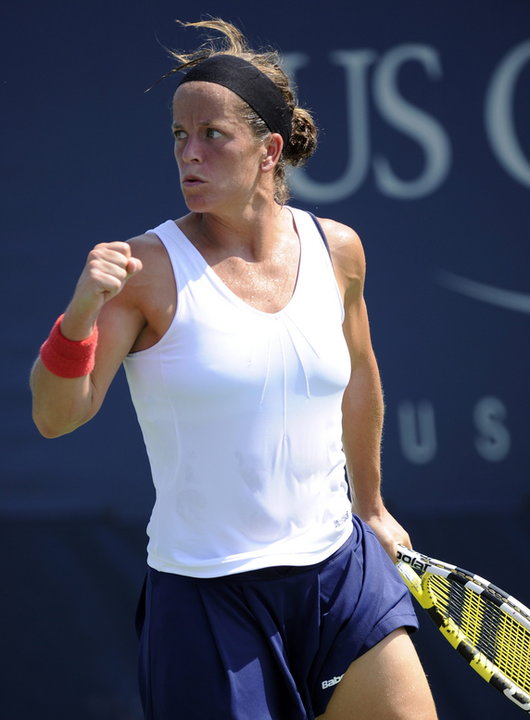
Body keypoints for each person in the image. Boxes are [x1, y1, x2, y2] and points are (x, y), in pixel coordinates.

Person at [30, 18, 437, 720]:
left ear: (268, 150)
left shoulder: (338, 250)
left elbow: (360, 375)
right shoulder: (142, 271)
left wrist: (370, 505)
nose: (188, 154)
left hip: (342, 574)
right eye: (178, 137)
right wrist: (79, 317)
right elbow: (56, 417)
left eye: (212, 136)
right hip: (207, 602)